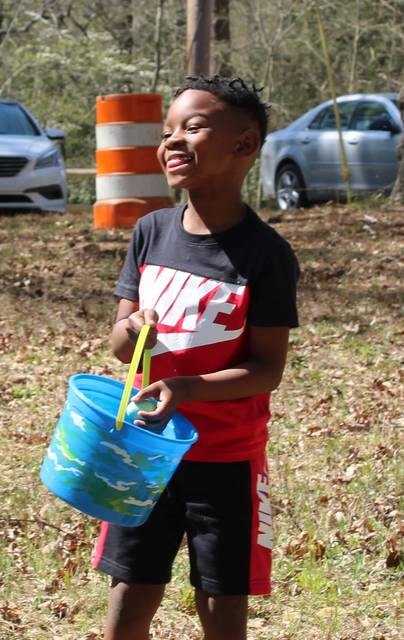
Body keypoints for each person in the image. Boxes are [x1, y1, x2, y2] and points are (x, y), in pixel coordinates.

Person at [92, 74, 299, 640]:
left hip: (226, 460)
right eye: (167, 131)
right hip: (146, 452)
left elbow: (266, 369)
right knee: (129, 595)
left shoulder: (266, 255)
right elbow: (118, 342)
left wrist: (187, 390)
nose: (173, 141)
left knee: (221, 609)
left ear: (245, 144)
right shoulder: (150, 232)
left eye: (194, 127)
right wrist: (130, 331)